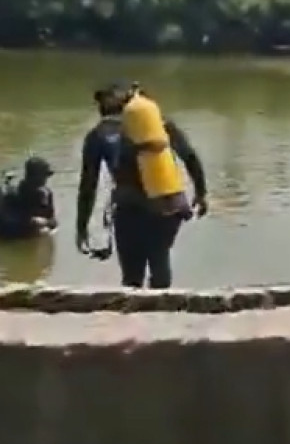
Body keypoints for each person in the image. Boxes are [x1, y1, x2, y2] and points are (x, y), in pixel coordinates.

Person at [76, 81, 209, 289]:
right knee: (160, 258)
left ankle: (137, 314)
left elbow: (88, 185)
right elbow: (190, 157)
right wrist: (201, 194)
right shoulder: (160, 124)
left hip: (130, 207)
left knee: (132, 276)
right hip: (168, 203)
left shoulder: (98, 135)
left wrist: (82, 227)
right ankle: (163, 308)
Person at [0, 156, 58, 241]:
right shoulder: (11, 195)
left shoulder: (46, 195)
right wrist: (31, 221)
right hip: (9, 233)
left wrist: (45, 222)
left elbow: (53, 222)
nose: (45, 180)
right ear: (31, 176)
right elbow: (1, 222)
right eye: (42, 176)